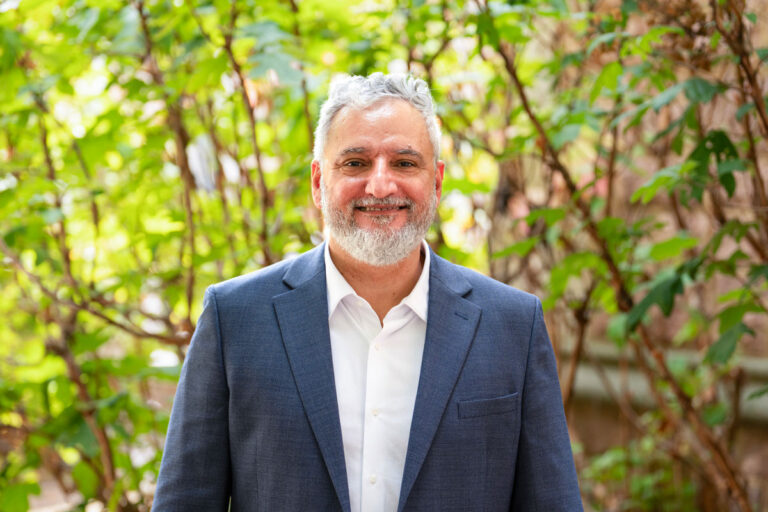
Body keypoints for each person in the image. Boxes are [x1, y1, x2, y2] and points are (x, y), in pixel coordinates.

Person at [153, 73, 582, 511]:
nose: (380, 186)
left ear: (436, 183)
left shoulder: (512, 325)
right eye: (355, 163)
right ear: (319, 183)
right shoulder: (236, 319)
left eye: (404, 163)